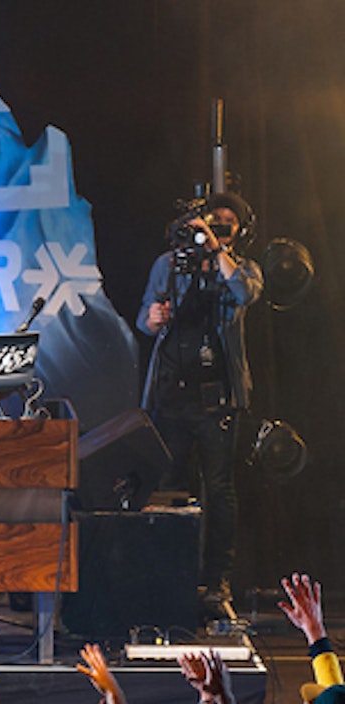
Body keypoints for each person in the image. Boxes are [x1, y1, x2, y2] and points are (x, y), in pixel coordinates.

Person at [137, 191, 263, 618]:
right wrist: (152, 319)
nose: (217, 228)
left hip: (218, 398)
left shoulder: (241, 267)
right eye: (212, 221)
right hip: (172, 393)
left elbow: (244, 293)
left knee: (220, 490)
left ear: (237, 231)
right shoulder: (168, 264)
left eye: (227, 224)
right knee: (169, 488)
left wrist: (215, 249)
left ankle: (216, 581)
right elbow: (144, 317)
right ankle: (169, 578)